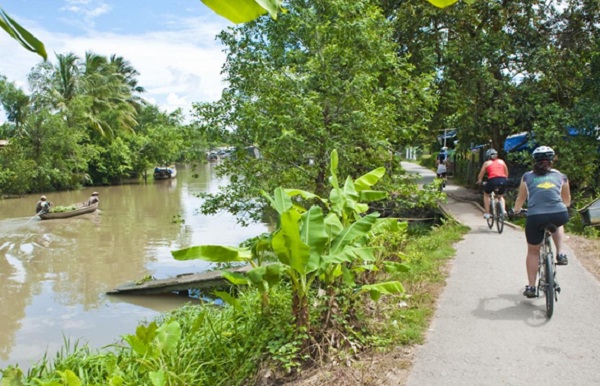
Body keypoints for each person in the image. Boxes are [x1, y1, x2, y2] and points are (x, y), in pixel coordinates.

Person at [513, 146, 571, 298]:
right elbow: (567, 200)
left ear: (534, 161)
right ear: (552, 161)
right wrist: (563, 205)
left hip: (535, 216)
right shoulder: (561, 176)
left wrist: (516, 210)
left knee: (533, 251)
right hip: (559, 213)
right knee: (558, 222)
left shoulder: (527, 177)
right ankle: (561, 253)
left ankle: (531, 287)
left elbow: (521, 198)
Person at [476, 148, 509, 219]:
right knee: (500, 196)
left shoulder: (486, 163)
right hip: (503, 179)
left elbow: (481, 174)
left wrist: (479, 180)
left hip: (492, 180)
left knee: (486, 195)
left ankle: (487, 213)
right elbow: (506, 173)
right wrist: (505, 180)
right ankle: (503, 211)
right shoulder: (502, 161)